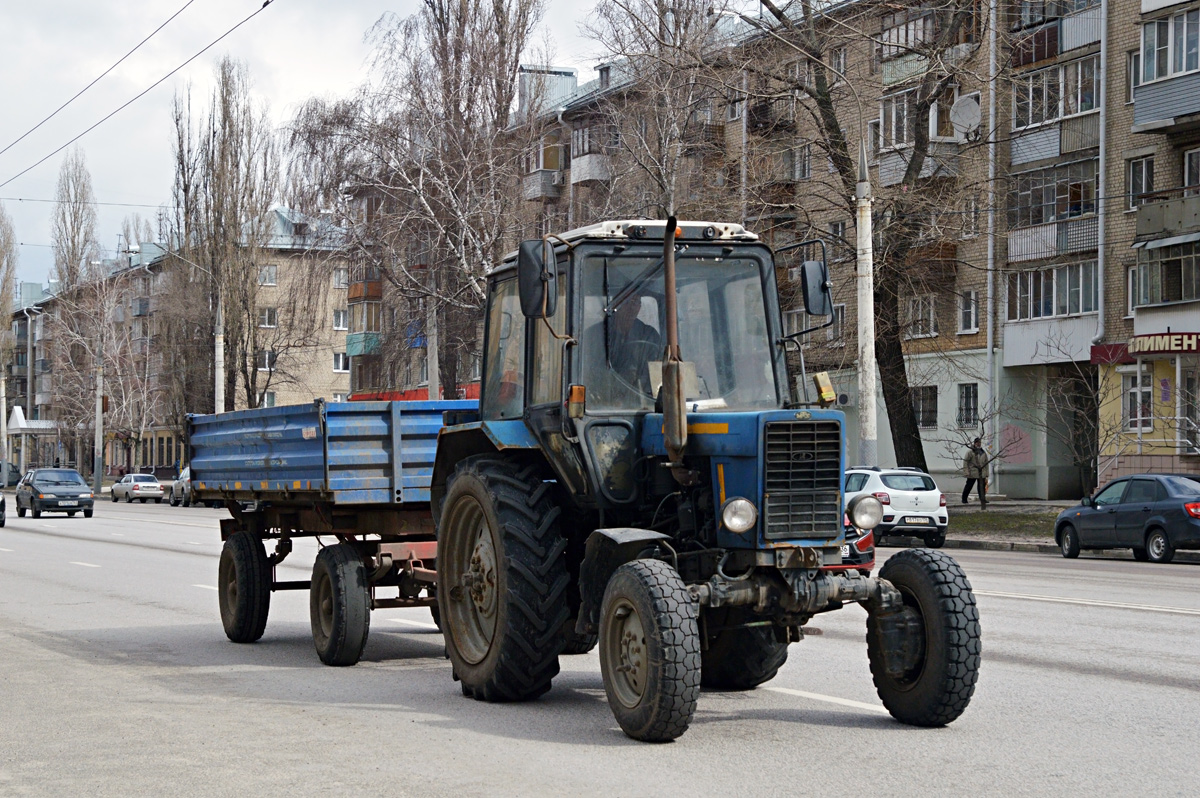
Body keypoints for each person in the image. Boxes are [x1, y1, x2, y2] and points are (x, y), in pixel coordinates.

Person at [962, 438, 989, 508]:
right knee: (969, 486)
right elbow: (965, 462)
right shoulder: (970, 452)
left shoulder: (983, 452)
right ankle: (964, 499)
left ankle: (982, 499)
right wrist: (966, 472)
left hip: (981, 473)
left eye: (979, 442)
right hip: (972, 473)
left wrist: (986, 473)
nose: (978, 444)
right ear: (974, 443)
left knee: (981, 487)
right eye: (977, 442)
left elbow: (986, 463)